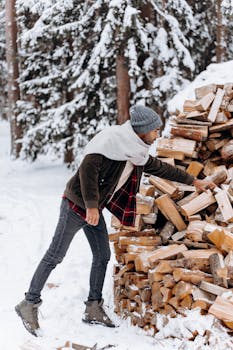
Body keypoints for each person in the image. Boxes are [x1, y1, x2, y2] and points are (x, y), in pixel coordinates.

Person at [15, 105, 215, 336]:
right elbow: (87, 172)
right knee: (55, 255)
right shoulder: (110, 142)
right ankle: (29, 304)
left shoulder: (135, 151)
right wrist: (91, 206)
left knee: (102, 255)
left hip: (94, 209)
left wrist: (194, 181)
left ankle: (93, 307)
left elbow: (160, 168)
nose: (158, 134)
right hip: (75, 205)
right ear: (143, 130)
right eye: (155, 130)